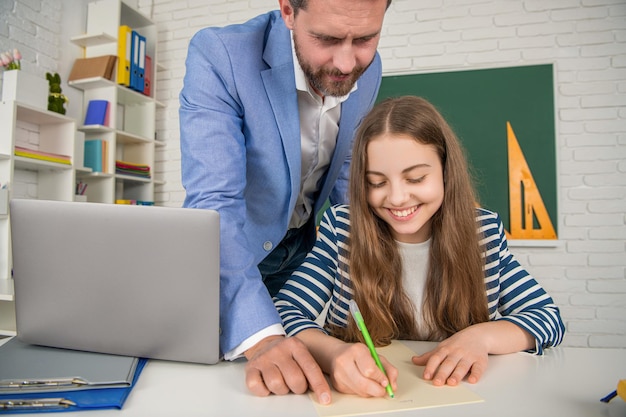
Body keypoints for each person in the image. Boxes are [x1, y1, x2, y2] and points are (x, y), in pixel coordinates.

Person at [273, 95, 566, 398]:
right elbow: (284, 311)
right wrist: (333, 354)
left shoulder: (485, 235)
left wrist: (482, 338)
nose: (397, 198)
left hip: (463, 399)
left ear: (445, 171)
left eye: (415, 178)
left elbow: (548, 318)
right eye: (376, 182)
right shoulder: (342, 229)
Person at [179, 0, 392, 403]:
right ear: (288, 12)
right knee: (231, 393)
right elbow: (214, 202)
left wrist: (368, 282)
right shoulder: (220, 54)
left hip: (304, 251)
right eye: (326, 39)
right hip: (233, 258)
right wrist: (260, 337)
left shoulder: (372, 68)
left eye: (365, 38)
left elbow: (349, 188)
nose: (347, 64)